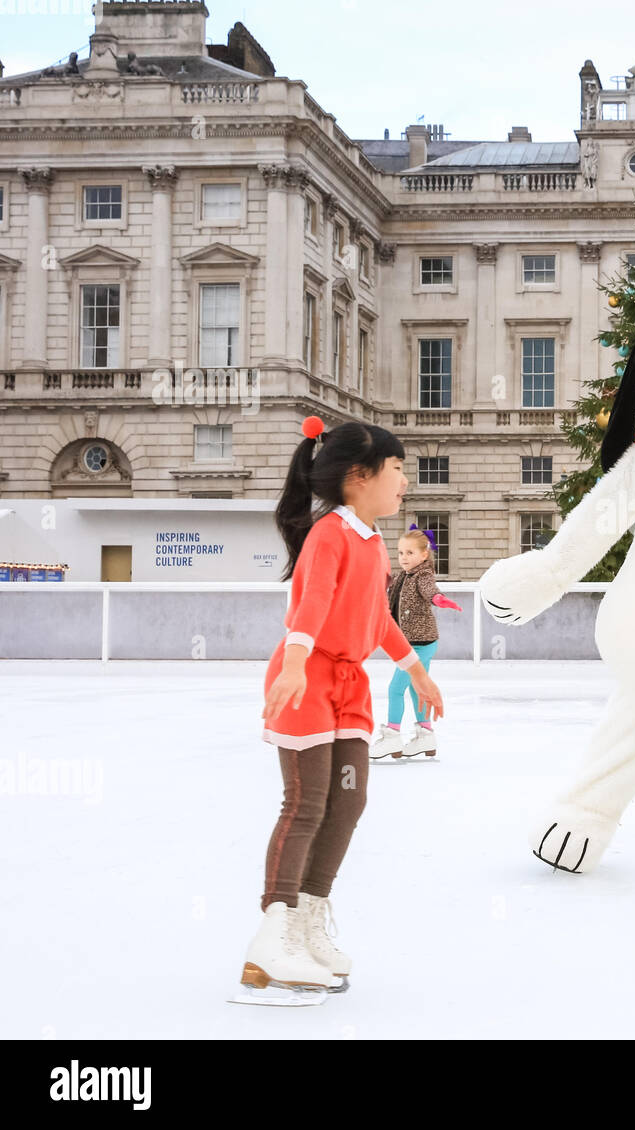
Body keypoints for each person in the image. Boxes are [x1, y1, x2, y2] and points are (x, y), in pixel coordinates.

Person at [237, 417, 444, 1003]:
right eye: (398, 467)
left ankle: (307, 921)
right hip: (310, 677)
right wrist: (298, 663)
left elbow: (377, 620)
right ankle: (272, 934)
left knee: (347, 798)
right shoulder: (329, 533)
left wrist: (417, 671)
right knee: (306, 804)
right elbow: (311, 602)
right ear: (360, 475)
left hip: (349, 685)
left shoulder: (370, 541)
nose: (405, 480)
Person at [370, 524, 462, 760]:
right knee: (416, 688)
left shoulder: (423, 575)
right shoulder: (403, 576)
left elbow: (430, 590)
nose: (404, 558)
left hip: (420, 643)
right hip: (412, 642)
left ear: (424, 555)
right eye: (401, 553)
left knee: (396, 688)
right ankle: (425, 735)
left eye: (410, 553)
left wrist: (439, 599)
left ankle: (392, 736)